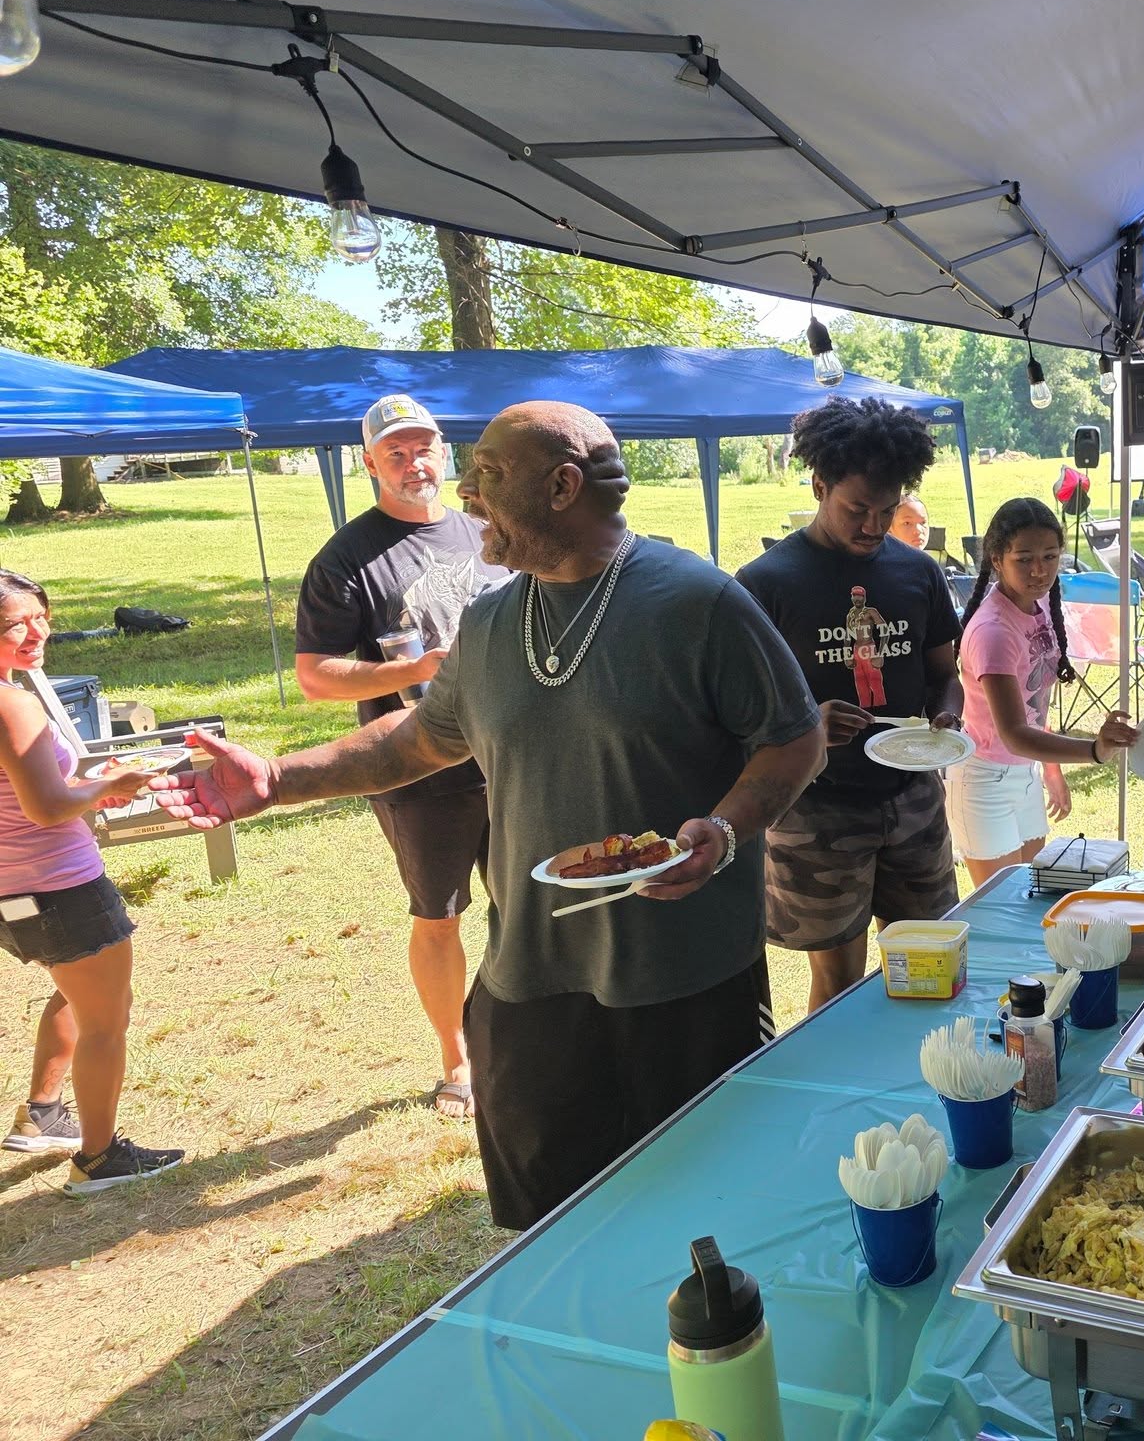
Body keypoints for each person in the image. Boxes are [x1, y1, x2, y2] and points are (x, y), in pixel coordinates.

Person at [155, 402, 826, 1231]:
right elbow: (419, 743)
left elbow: (795, 743)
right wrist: (276, 780)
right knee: (547, 1233)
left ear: (562, 486)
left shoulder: (697, 603)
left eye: (488, 474)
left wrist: (722, 830)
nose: (466, 492)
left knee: (712, 1222)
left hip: (685, 986)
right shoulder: (492, 619)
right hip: (529, 985)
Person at [295, 395, 508, 1119]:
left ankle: (531, 1034)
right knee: (440, 914)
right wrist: (413, 674)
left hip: (515, 753)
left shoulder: (490, 531)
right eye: (396, 452)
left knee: (535, 901)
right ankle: (457, 1061)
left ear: (446, 452)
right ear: (369, 463)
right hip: (420, 769)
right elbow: (316, 675)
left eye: (425, 447)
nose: (415, 462)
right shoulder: (347, 558)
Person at [737, 399, 964, 1013]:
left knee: (927, 964)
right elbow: (736, 714)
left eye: (886, 512)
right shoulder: (766, 583)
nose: (872, 526)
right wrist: (807, 724)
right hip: (817, 810)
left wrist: (947, 715)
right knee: (839, 985)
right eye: (856, 509)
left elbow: (945, 674)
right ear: (819, 485)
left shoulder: (917, 572)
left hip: (912, 797)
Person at [0, 571, 184, 1194]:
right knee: (106, 1019)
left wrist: (87, 779)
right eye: (12, 626)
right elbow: (48, 808)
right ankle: (99, 1159)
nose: (33, 632)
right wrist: (113, 784)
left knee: (76, 991)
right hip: (63, 887)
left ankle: (43, 1113)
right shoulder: (12, 702)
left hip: (13, 892)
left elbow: (28, 787)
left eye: (40, 615)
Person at [949, 498, 1138, 885]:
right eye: (1024, 559)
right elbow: (1015, 734)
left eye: (1050, 557)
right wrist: (1093, 751)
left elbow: (1034, 705)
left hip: (1023, 773)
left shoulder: (1038, 608)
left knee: (1033, 899)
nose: (1039, 570)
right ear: (997, 559)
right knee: (1001, 910)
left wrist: (1049, 769)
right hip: (984, 780)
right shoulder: (994, 632)